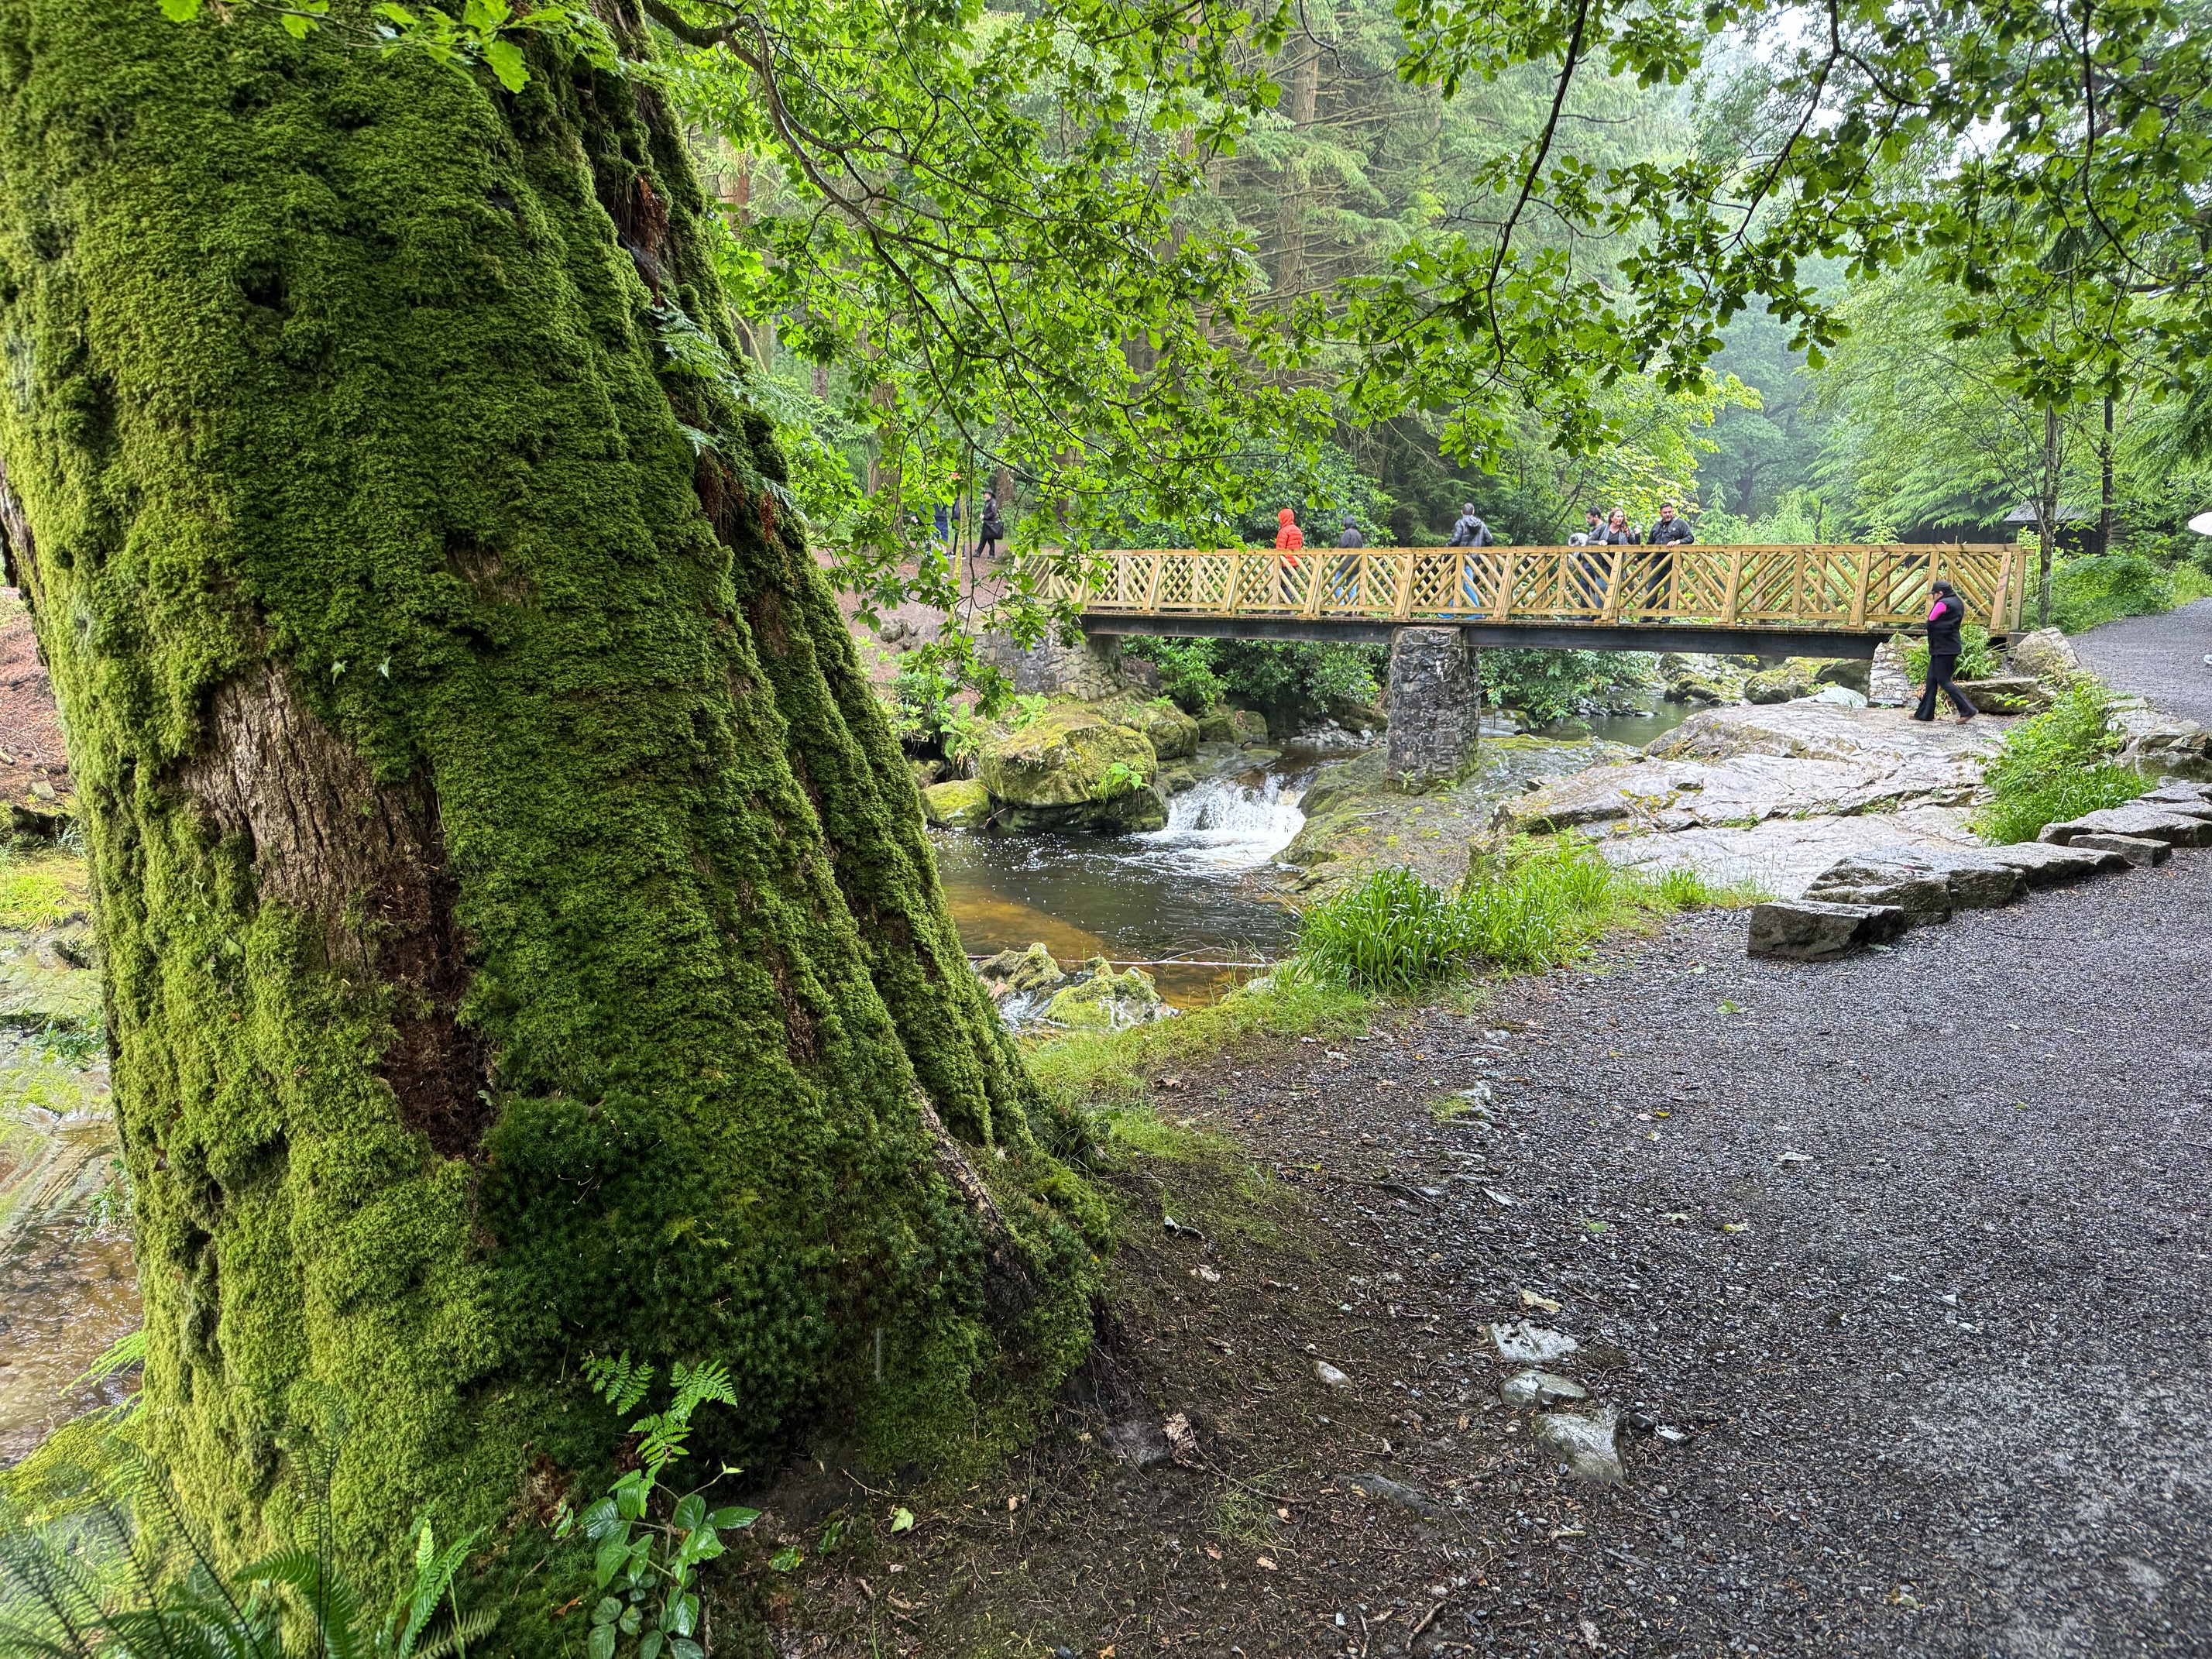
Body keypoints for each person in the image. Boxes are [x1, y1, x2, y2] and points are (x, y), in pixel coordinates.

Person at [1912, 579, 1979, 723]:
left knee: (1943, 680)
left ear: (1940, 593)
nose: (1932, 598)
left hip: (1943, 648)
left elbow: (1930, 620)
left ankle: (1967, 709)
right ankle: (1924, 713)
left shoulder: (1943, 603)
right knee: (1931, 679)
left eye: (1933, 595)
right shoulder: (1957, 602)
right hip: (1950, 646)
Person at [1644, 500, 1695, 611]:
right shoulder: (1656, 526)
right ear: (1660, 513)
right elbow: (1649, 544)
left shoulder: (1680, 523)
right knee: (1652, 588)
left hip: (1672, 563)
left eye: (1670, 512)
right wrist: (1639, 557)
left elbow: (1690, 538)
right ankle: (1648, 615)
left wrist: (1677, 542)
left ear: (1673, 511)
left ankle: (1666, 615)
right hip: (1657, 562)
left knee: (1669, 589)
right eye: (1665, 512)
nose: (1668, 514)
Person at [1274, 507, 1304, 604]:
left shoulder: (1284, 531)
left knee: (1284, 584)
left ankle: (1287, 605)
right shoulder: (1297, 530)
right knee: (1289, 583)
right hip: (1295, 562)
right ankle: (1288, 604)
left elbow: (1280, 548)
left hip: (1285, 562)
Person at [975, 492, 1005, 561]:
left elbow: (994, 512)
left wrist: (986, 516)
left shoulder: (993, 502)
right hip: (987, 523)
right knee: (984, 537)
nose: (984, 495)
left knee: (989, 538)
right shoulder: (988, 502)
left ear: (990, 495)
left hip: (990, 523)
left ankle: (990, 554)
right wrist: (983, 515)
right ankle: (979, 552)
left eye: (986, 494)